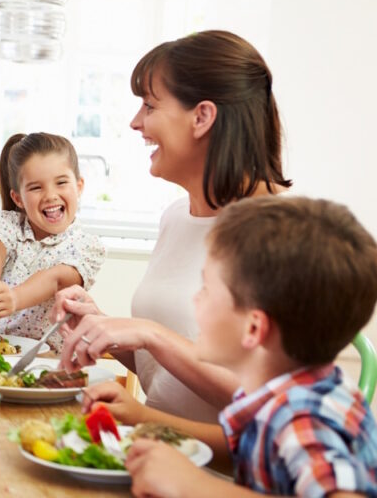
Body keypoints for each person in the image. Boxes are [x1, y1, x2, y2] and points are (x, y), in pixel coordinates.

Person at [53, 30, 291, 422]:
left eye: (149, 105)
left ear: (202, 117)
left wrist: (151, 334)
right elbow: (166, 374)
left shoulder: (283, 233)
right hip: (156, 454)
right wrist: (104, 327)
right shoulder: (177, 216)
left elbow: (270, 413)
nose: (134, 122)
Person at [122, 196, 377, 497]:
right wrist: (141, 420)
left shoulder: (302, 416)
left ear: (254, 328)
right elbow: (238, 447)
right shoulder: (275, 391)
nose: (195, 300)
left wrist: (198, 486)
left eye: (205, 288)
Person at [0, 132, 105, 351]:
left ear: (79, 186)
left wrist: (14, 298)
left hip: (48, 363)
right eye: (36, 187)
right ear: (18, 198)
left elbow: (56, 279)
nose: (50, 195)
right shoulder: (9, 224)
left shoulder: (86, 245)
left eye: (61, 183)